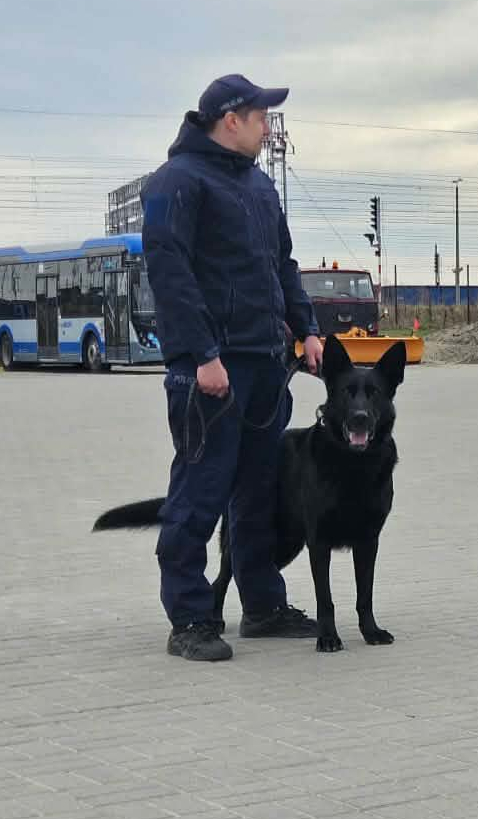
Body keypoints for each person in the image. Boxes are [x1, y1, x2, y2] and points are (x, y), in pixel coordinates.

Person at [140, 74, 325, 661]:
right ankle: (191, 617)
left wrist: (308, 328)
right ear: (230, 119)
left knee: (258, 492)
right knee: (201, 488)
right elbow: (171, 276)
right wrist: (201, 356)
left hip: (267, 365)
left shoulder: (259, 188)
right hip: (212, 372)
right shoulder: (175, 183)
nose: (268, 129)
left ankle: (263, 606)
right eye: (261, 117)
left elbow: (283, 264)